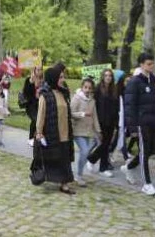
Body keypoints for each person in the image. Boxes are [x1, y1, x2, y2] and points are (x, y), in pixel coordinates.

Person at [121, 53, 155, 196]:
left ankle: (128, 167)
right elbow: (129, 106)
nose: (151, 66)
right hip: (141, 123)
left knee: (147, 152)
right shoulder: (134, 82)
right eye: (148, 64)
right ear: (141, 65)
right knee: (143, 152)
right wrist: (132, 127)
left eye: (152, 63)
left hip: (153, 121)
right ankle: (147, 184)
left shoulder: (153, 80)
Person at [31, 65, 76, 195]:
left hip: (66, 133)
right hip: (52, 133)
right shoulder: (45, 95)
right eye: (60, 77)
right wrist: (39, 132)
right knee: (54, 159)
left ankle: (65, 184)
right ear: (54, 78)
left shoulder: (63, 93)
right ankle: (49, 178)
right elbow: (41, 115)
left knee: (65, 160)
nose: (63, 79)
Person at [86, 69, 120, 177]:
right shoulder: (98, 89)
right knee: (104, 144)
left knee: (106, 144)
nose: (108, 77)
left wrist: (116, 122)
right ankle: (97, 163)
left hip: (111, 121)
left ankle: (96, 162)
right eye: (106, 75)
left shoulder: (114, 90)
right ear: (102, 77)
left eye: (110, 75)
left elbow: (116, 106)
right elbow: (93, 105)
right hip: (100, 121)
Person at [70, 78, 102, 187]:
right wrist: (83, 114)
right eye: (85, 87)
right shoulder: (77, 98)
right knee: (84, 151)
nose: (87, 90)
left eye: (89, 88)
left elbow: (95, 116)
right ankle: (78, 175)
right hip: (77, 130)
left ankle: (79, 173)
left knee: (86, 153)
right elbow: (71, 113)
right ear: (82, 87)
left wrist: (98, 131)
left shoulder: (92, 100)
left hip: (88, 131)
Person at [23, 66, 43, 147]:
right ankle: (31, 138)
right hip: (31, 105)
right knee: (35, 119)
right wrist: (31, 82)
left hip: (40, 104)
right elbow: (26, 92)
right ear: (34, 71)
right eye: (38, 69)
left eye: (41, 69)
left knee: (40, 120)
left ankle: (38, 137)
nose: (39, 71)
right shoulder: (29, 80)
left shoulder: (44, 80)